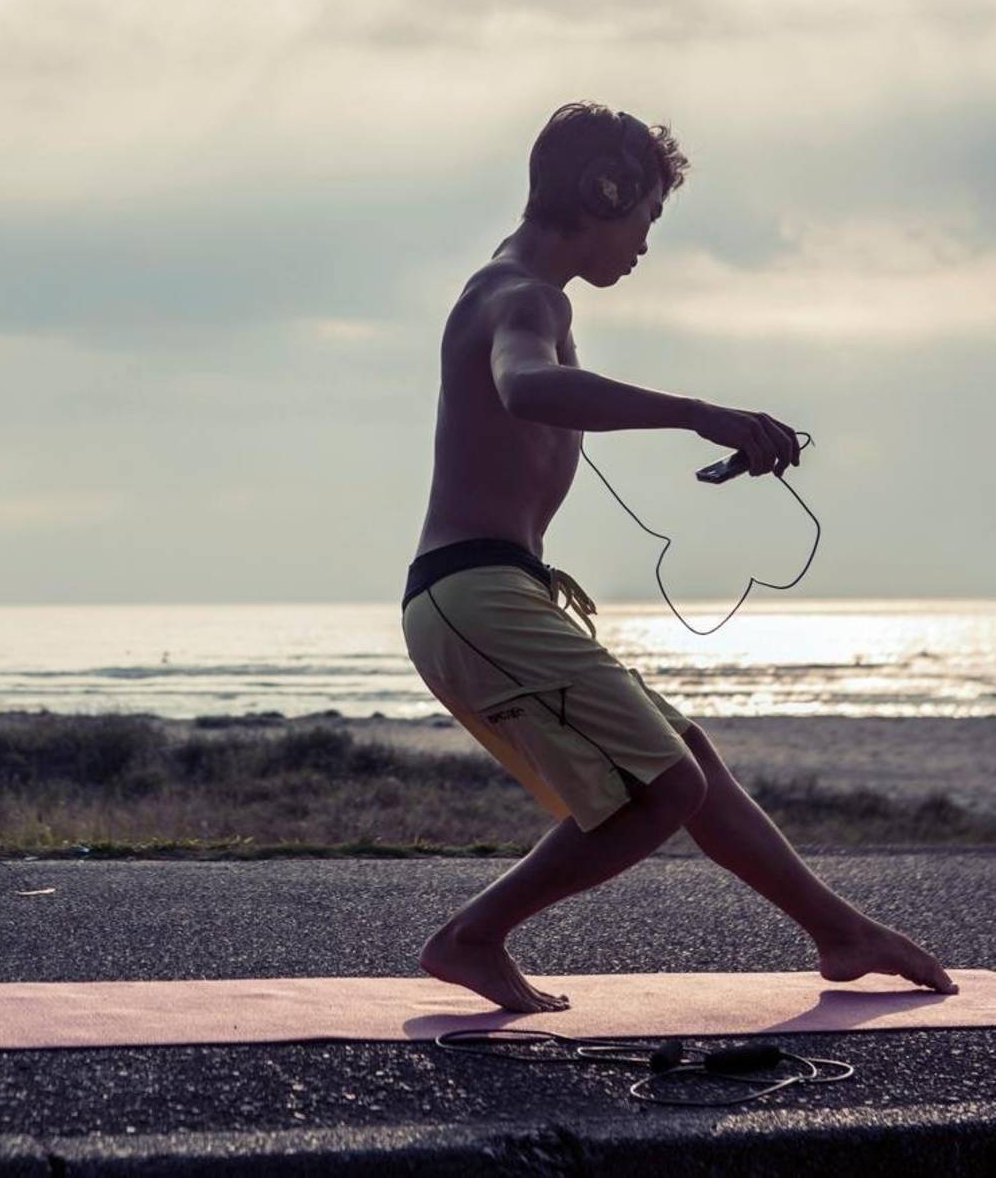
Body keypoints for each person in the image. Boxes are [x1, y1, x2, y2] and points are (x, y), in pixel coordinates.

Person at [400, 100, 957, 1013]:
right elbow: (527, 385)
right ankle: (471, 937)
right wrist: (700, 411)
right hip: (475, 595)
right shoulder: (520, 296)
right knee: (660, 792)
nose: (645, 245)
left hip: (497, 594)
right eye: (647, 217)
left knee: (687, 759)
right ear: (602, 191)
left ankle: (840, 933)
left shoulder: (519, 292)